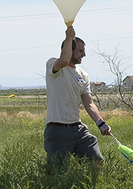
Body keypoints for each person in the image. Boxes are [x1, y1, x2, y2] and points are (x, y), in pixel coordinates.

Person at [44, 24, 112, 168]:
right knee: (56, 171)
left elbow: (89, 103)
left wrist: (100, 123)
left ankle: (88, 188)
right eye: (80, 51)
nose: (84, 55)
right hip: (57, 129)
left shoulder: (83, 75)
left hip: (78, 128)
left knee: (96, 160)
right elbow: (63, 60)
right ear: (69, 49)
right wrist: (69, 37)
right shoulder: (54, 66)